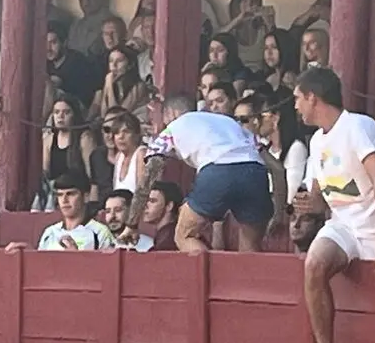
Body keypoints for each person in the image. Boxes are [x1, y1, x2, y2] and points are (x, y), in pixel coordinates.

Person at [293, 67, 375, 343]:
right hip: (345, 226)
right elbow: (322, 200)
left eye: (298, 98)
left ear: (313, 97)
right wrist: (306, 205)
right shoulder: (316, 141)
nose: (295, 105)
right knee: (314, 264)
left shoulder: (358, 127)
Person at [117, 93, 283, 252]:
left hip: (217, 171)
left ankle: (209, 272)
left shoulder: (172, 129)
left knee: (184, 236)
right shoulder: (231, 123)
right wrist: (279, 213)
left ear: (170, 114)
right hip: (255, 172)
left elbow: (149, 176)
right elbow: (277, 168)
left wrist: (132, 224)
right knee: (250, 248)